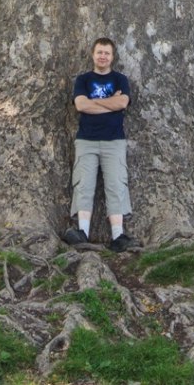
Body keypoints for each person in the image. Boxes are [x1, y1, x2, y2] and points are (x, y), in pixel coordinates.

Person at [63, 36, 136, 251]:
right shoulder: (83, 80)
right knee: (84, 185)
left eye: (107, 53)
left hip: (114, 141)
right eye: (99, 52)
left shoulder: (120, 79)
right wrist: (109, 103)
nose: (103, 56)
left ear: (112, 57)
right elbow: (81, 106)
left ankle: (118, 236)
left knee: (116, 185)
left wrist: (94, 102)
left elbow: (122, 102)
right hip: (87, 140)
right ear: (93, 55)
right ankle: (82, 231)